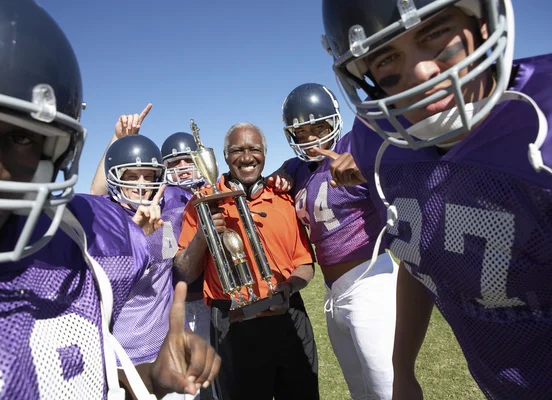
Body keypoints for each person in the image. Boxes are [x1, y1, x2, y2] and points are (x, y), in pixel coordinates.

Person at [0, 1, 219, 399]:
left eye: (22, 136)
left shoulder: (79, 235)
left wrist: (150, 379)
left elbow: (91, 382)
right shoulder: (104, 225)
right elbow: (98, 198)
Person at [321, 0, 552, 398]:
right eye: (386, 56)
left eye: (435, 33)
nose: (421, 72)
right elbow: (421, 256)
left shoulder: (542, 116)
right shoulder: (377, 141)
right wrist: (402, 368)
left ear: (481, 22)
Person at [173, 123, 320, 400]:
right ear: (225, 157)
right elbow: (184, 271)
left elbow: (305, 264)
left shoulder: (282, 198)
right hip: (233, 321)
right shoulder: (201, 203)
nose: (247, 157)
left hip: (287, 313)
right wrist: (203, 235)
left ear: (264, 153)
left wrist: (287, 289)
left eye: (254, 149)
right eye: (238, 150)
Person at [274, 82, 398, 399]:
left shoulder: (357, 149)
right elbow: (278, 176)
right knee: (359, 388)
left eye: (317, 128)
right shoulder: (297, 169)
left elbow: (400, 178)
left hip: (370, 279)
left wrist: (368, 170)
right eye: (300, 133)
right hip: (333, 292)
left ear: (334, 122)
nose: (310, 140)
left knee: (387, 385)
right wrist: (282, 173)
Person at [161, 132, 216, 400]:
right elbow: (171, 261)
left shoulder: (212, 188)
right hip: (180, 306)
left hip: (214, 304)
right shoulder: (164, 202)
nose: (182, 168)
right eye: (174, 164)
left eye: (187, 160)